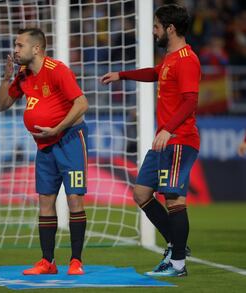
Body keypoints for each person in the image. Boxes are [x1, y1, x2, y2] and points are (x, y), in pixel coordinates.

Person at [100, 4, 200, 277]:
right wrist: (123, 75)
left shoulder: (187, 59)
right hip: (165, 141)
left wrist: (167, 128)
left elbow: (191, 100)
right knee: (142, 194)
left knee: (174, 199)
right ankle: (176, 245)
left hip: (179, 139)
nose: (153, 31)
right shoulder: (170, 58)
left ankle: (177, 264)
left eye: (156, 27)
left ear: (170, 29)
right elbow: (155, 74)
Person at [0, 28, 89, 275]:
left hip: (69, 141)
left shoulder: (57, 70)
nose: (15, 50)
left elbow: (82, 104)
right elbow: (2, 105)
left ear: (36, 48)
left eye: (19, 45)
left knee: (74, 199)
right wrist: (6, 79)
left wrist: (57, 128)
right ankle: (47, 261)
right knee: (45, 201)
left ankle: (76, 261)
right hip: (44, 145)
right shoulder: (23, 74)